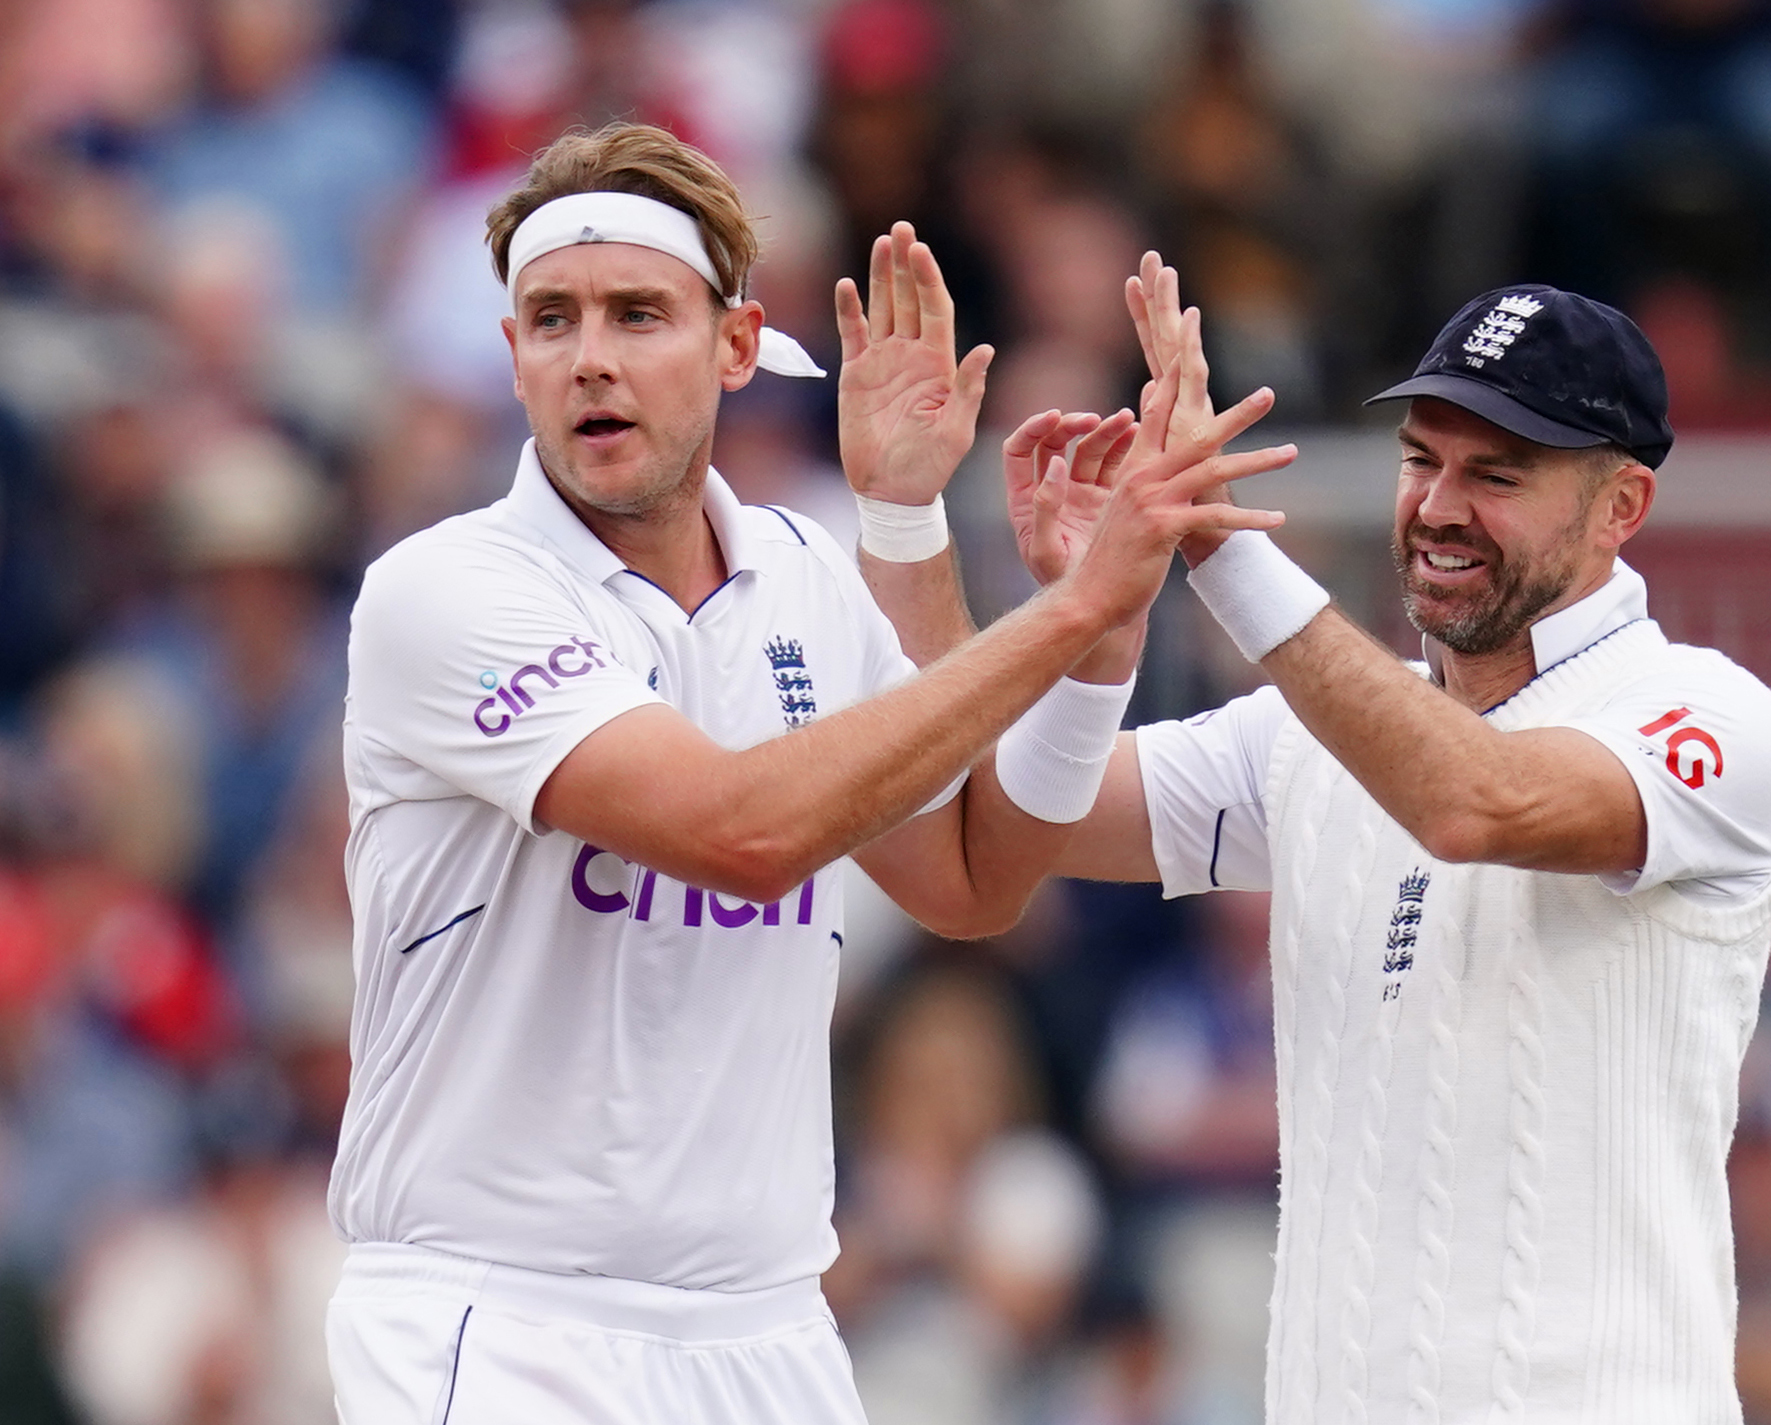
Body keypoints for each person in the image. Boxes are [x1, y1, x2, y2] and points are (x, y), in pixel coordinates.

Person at [322, 123, 1294, 1424]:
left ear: (736, 347)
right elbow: (743, 834)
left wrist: (1084, 627)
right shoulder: (444, 588)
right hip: (504, 1324)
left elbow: (971, 879)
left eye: (637, 313)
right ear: (512, 354)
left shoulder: (801, 573)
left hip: (767, 1327)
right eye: (552, 319)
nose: (591, 355)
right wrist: (1063, 616)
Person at [1008, 261, 1771, 1421]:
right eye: (1421, 459)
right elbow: (1015, 819)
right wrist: (1037, 599)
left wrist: (1215, 540)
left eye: (1497, 473)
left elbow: (1473, 803)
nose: (1437, 505)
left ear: (1622, 507)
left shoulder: (1718, 719)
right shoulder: (1309, 733)